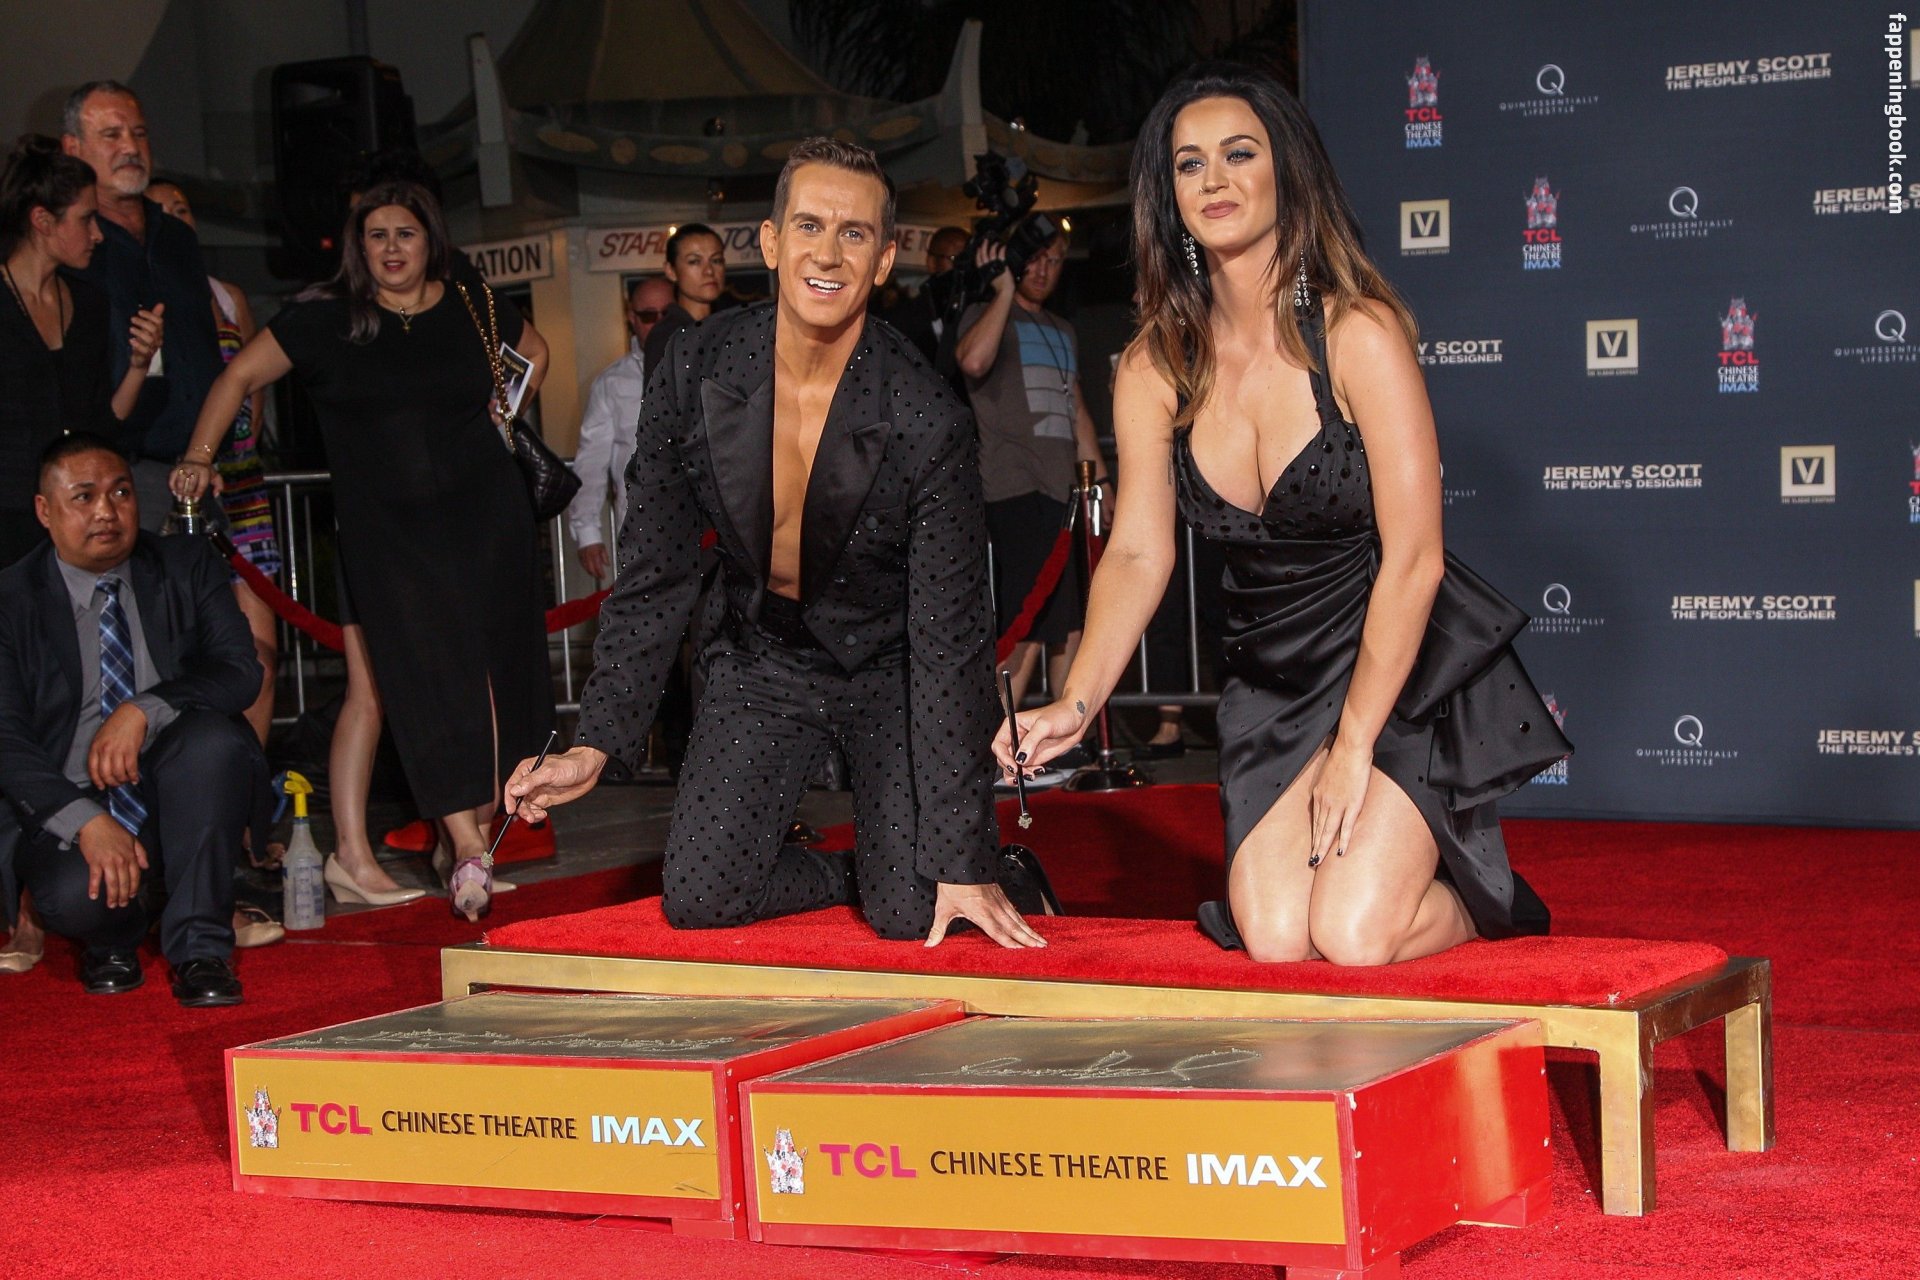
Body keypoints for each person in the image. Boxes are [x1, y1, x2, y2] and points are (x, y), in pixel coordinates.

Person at [996, 64, 1567, 966]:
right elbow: (1139, 552)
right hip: (1273, 679)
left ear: (1285, 172)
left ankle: (1475, 901)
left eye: (1239, 154)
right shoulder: (1155, 365)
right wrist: (1077, 698)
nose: (1214, 180)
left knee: (1351, 934)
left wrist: (1354, 745)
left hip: (1397, 665)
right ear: (1168, 194)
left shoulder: (1357, 334)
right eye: (1189, 164)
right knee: (1273, 939)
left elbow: (1416, 558)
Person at [506, 137, 1052, 947]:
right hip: (761, 657)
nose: (827, 254)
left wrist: (961, 852)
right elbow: (657, 570)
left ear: (883, 258)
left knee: (914, 911)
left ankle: (978, 872)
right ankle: (857, 875)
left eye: (854, 233)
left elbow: (950, 641)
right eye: (809, 226)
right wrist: (597, 741)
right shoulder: (695, 368)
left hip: (889, 668)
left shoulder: (926, 415)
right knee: (701, 897)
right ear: (769, 241)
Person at [172, 180, 552, 915]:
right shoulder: (328, 320)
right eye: (377, 235)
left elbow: (533, 351)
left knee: (436, 685)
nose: (391, 248)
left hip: (483, 521)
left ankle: (415, 848)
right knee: (413, 685)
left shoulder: (470, 303)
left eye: (405, 233)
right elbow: (238, 374)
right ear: (359, 247)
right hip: (387, 539)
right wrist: (198, 455)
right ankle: (458, 846)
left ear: (430, 238)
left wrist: (506, 411)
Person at [0, 433, 263, 1004]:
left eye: (120, 493)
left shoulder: (185, 564)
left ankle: (200, 952)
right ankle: (112, 938)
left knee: (213, 742)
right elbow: (6, 739)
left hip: (176, 787)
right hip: (70, 797)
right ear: (45, 510)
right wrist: (84, 821)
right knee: (72, 897)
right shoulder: (11, 598)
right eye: (84, 497)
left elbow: (240, 671)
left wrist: (143, 708)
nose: (106, 511)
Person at [955, 230, 1108, 770]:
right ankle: (993, 750)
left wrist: (1101, 480)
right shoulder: (987, 314)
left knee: (1070, 621)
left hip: (1065, 491)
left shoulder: (1062, 328)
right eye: (1036, 259)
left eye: (1056, 260)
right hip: (1014, 488)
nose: (1045, 270)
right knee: (1027, 622)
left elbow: (1077, 409)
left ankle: (1061, 743)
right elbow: (973, 362)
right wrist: (1001, 291)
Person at [145, 181, 280, 747]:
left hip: (240, 482)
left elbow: (252, 379)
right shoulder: (143, 290)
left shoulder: (226, 296)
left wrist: (236, 447)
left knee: (261, 647)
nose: (173, 217)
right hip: (175, 484)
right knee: (191, 645)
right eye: (159, 210)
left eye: (181, 209)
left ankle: (254, 776)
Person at [60, 82, 224, 530]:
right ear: (73, 149)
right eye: (111, 135)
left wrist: (207, 452)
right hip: (116, 471)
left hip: (198, 468)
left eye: (139, 133)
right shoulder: (73, 246)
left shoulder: (177, 238)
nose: (131, 148)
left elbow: (204, 348)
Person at [0, 135, 161, 567]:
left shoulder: (89, 302)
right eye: (87, 219)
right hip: (9, 522)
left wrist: (139, 365)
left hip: (75, 523)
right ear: (42, 220)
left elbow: (102, 425)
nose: (97, 235)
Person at [568, 276, 675, 580]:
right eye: (648, 316)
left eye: (667, 314)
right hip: (642, 536)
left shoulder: (709, 371)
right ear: (632, 318)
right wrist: (588, 534)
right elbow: (591, 462)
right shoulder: (611, 384)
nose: (659, 324)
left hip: (706, 531)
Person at [640, 223, 725, 371]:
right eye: (694, 261)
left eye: (716, 260)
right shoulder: (667, 337)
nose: (709, 271)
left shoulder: (729, 326)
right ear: (671, 271)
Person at [880, 225, 967, 365]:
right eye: (954, 259)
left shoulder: (978, 309)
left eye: (967, 260)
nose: (962, 268)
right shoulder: (906, 317)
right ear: (931, 261)